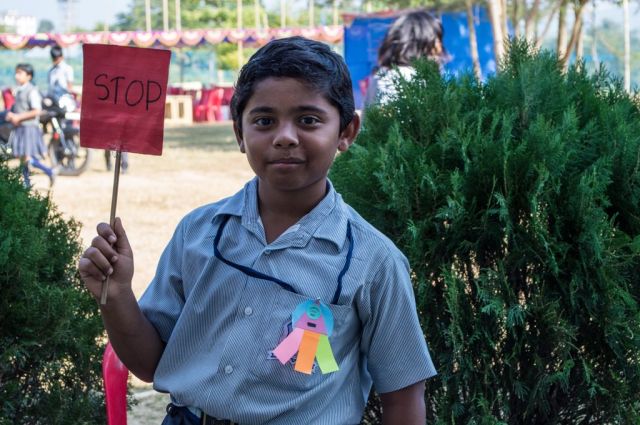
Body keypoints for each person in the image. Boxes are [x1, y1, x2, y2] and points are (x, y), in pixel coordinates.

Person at [79, 36, 436, 424]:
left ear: (347, 131)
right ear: (239, 132)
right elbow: (149, 364)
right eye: (264, 121)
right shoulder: (198, 233)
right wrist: (117, 296)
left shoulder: (373, 262)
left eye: (308, 120)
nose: (285, 137)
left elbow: (403, 397)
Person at [364, 9, 448, 106]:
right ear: (423, 42)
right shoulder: (401, 78)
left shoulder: (383, 75)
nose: (440, 48)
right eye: (437, 40)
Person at [6, 64, 55, 188]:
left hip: (29, 129)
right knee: (23, 157)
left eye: (20, 73)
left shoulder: (32, 91)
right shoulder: (19, 90)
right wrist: (11, 115)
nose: (16, 76)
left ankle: (49, 171)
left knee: (27, 157)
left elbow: (36, 111)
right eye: (16, 73)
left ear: (29, 76)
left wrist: (18, 117)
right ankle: (26, 182)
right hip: (21, 128)